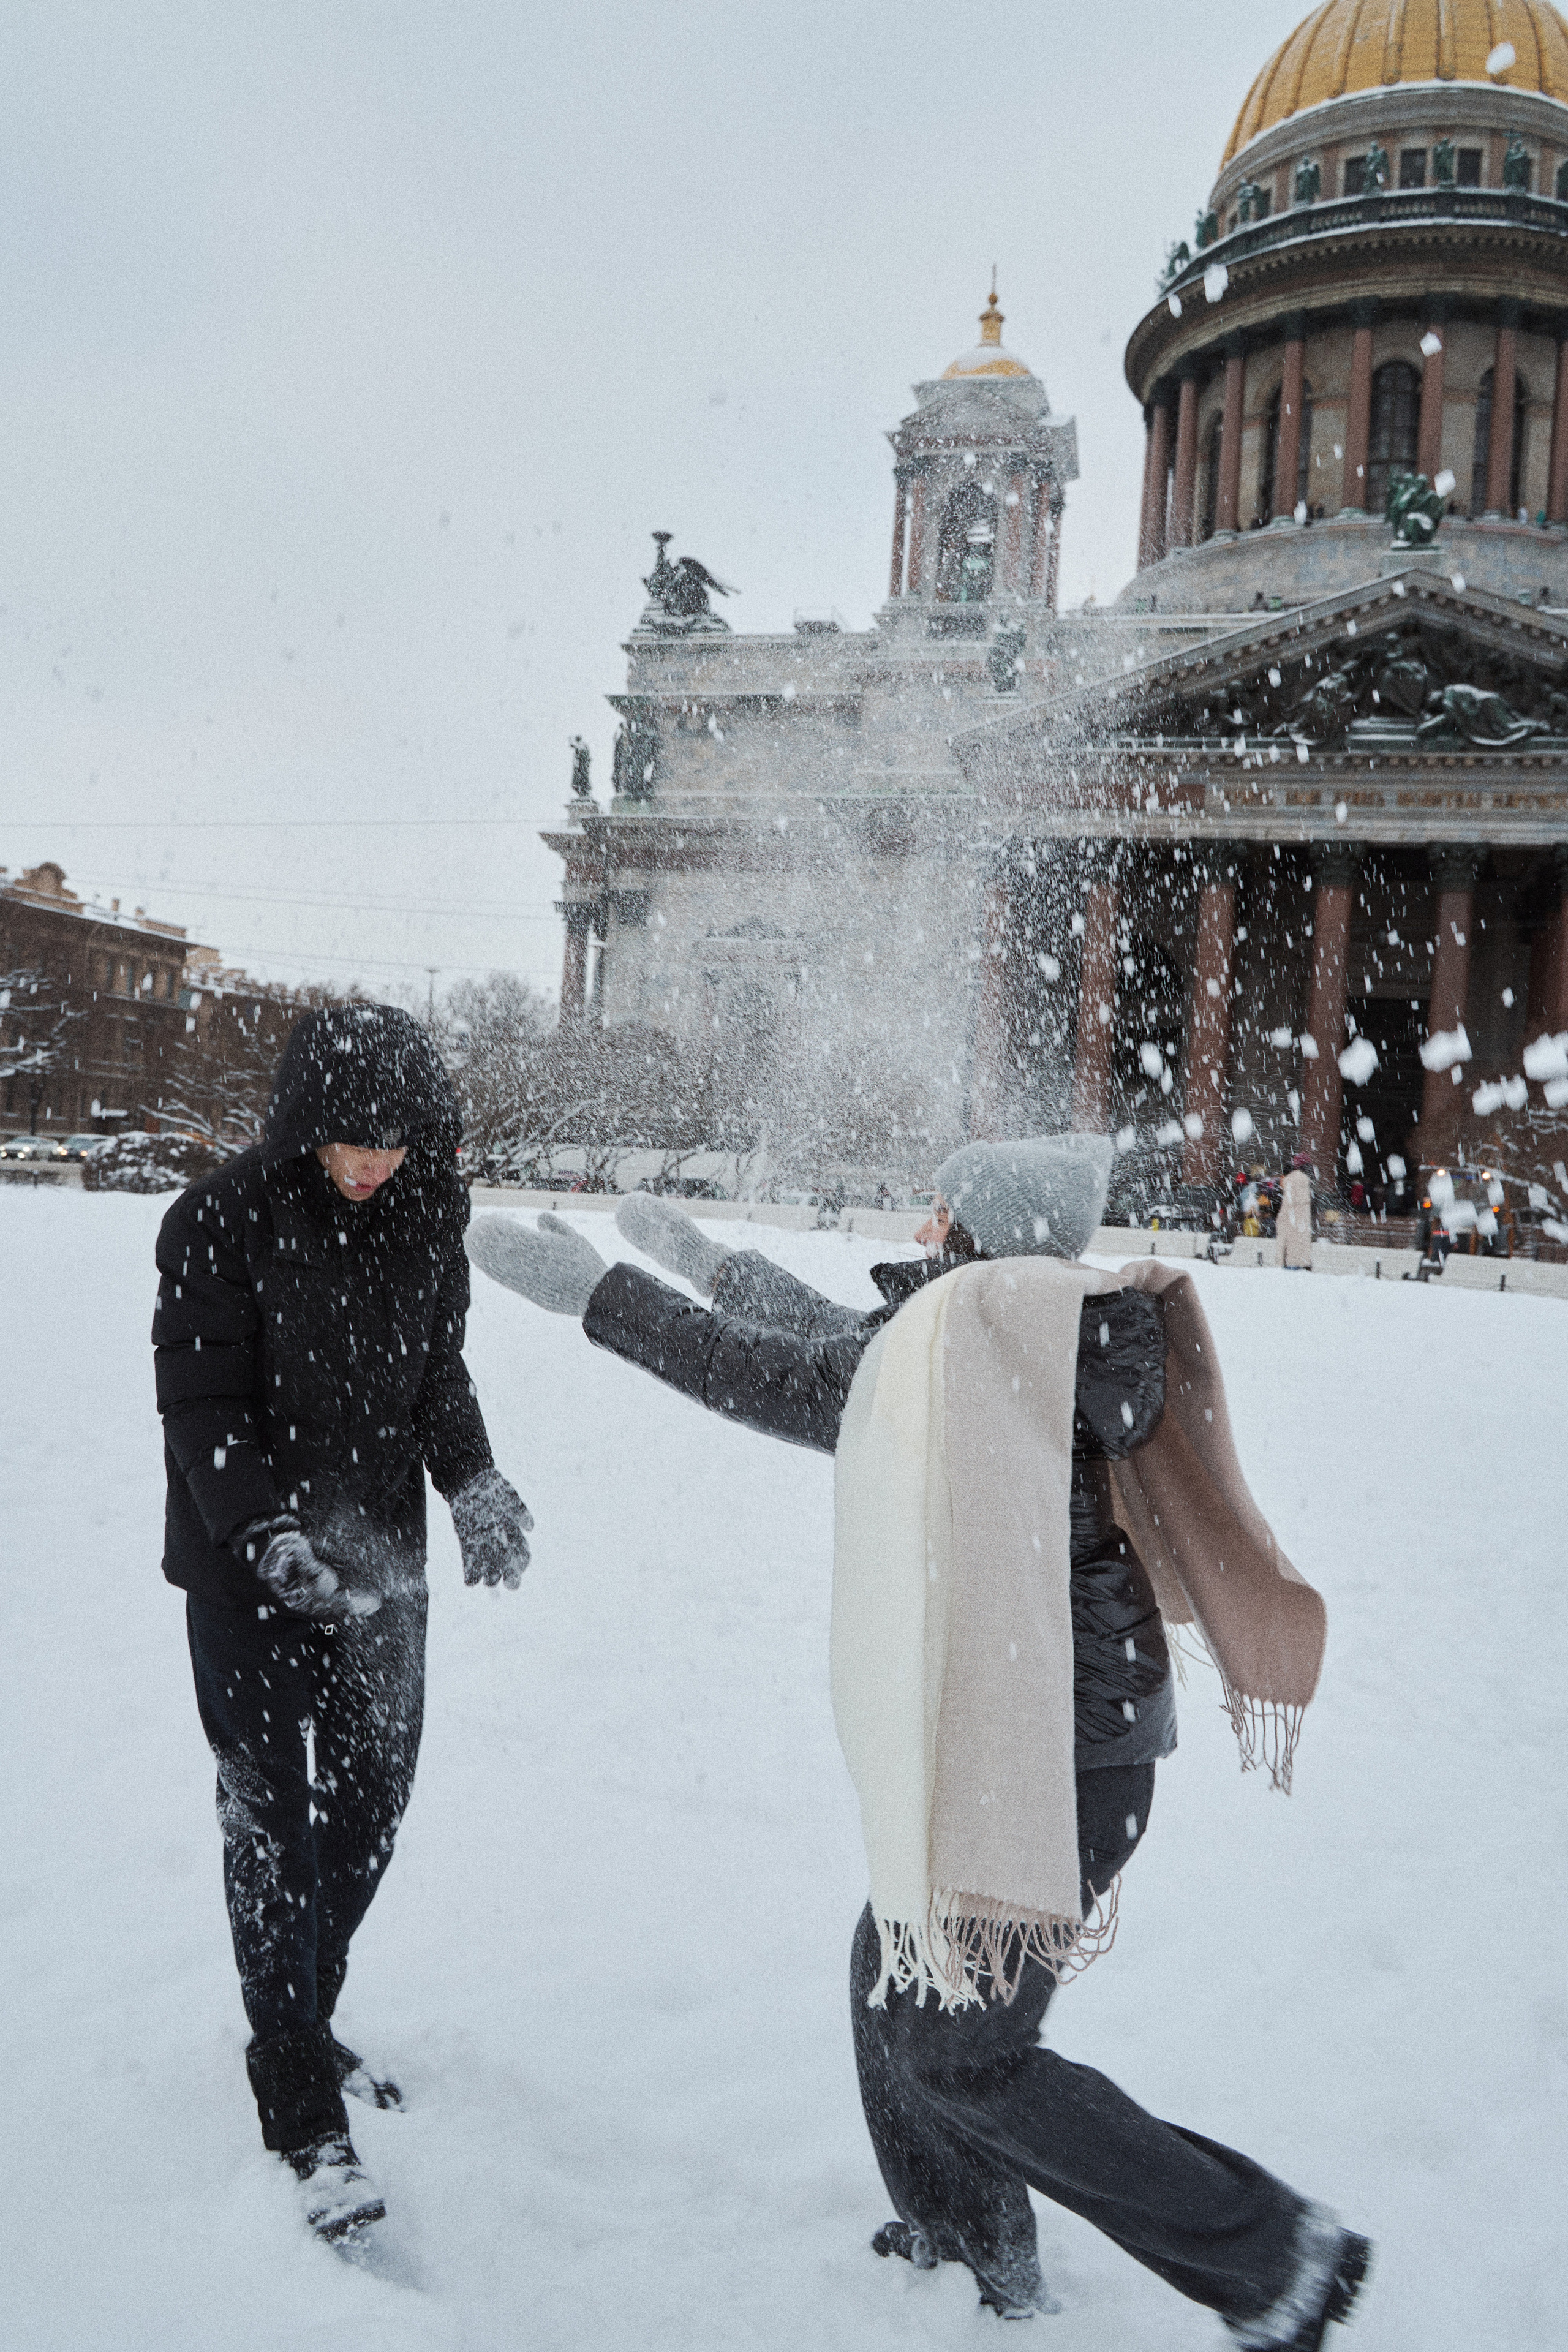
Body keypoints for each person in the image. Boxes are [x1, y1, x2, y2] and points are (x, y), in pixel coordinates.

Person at [465, 1137, 1370, 2347]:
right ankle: (968, 2237)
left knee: (959, 2050)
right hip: (1071, 1742)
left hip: (1044, 1756)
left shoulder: (972, 1351)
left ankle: (1270, 2253)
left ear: (983, 1227)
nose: (926, 1221)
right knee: (895, 1974)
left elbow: (785, 1378)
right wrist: (708, 1260)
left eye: (944, 1206)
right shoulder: (1026, 1325)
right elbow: (850, 1339)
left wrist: (599, 1297)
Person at [153, 1004, 532, 2242]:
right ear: (306, 1127)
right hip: (249, 1570)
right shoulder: (217, 1219)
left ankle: (305, 2017)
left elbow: (435, 1376)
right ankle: (303, 2112)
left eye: (395, 1144)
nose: (373, 1165)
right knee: (271, 1820)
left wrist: (472, 1480)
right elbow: (202, 1401)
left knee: (370, 1807)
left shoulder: (426, 1218)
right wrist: (266, 1535)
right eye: (352, 1142)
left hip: (378, 1565)